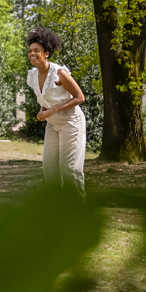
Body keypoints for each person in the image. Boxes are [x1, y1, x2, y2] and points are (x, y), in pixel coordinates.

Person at [25, 27, 87, 199]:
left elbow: (79, 97)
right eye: (30, 51)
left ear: (46, 53)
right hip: (52, 124)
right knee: (49, 168)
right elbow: (46, 98)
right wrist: (42, 110)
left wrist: (52, 110)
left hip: (71, 122)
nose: (32, 54)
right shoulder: (32, 76)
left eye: (36, 51)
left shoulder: (59, 73)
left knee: (70, 169)